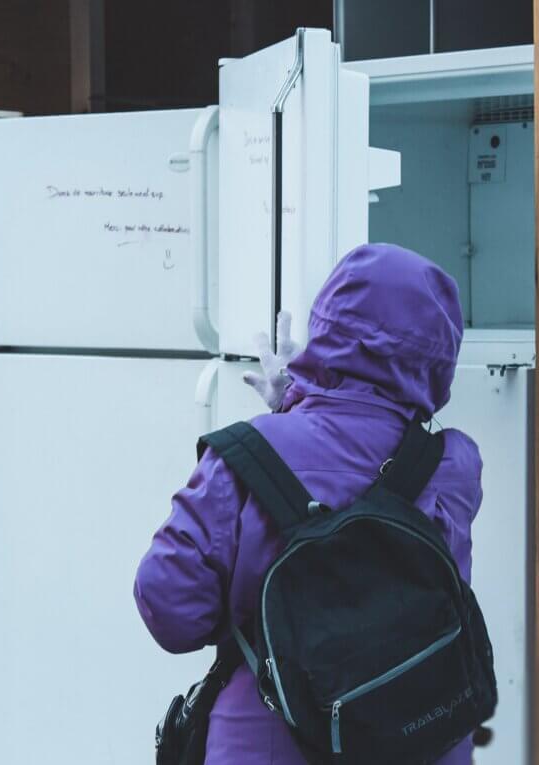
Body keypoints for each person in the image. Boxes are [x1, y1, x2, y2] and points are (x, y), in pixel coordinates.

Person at [134, 243, 483, 765]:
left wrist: (292, 408)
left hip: (267, 744)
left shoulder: (243, 458)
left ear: (326, 330)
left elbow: (169, 608)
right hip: (421, 738)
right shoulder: (453, 465)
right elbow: (360, 463)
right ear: (437, 357)